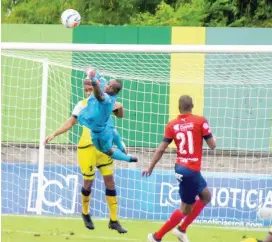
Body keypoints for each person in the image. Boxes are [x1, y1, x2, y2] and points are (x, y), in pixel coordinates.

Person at [44, 79, 127, 233]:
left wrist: (120, 107)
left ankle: (114, 220)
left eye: (91, 88)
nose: (88, 90)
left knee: (110, 181)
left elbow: (120, 115)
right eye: (86, 89)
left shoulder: (106, 101)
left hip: (104, 149)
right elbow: (70, 123)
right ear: (85, 90)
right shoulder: (81, 105)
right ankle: (85, 212)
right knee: (88, 182)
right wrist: (54, 134)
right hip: (87, 149)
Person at [142, 95, 216, 242]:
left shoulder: (172, 125)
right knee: (185, 209)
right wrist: (212, 137)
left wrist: (150, 167)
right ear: (192, 106)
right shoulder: (200, 121)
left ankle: (182, 229)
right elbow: (212, 145)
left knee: (206, 195)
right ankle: (157, 237)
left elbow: (161, 149)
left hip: (181, 168)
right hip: (191, 171)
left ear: (178, 107)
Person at [78, 67, 137, 163]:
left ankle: (129, 159)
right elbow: (95, 74)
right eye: (109, 84)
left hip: (99, 134)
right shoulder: (104, 83)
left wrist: (93, 81)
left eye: (111, 87)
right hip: (106, 126)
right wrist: (89, 71)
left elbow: (99, 96)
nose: (108, 86)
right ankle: (122, 147)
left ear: (115, 92)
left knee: (107, 151)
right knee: (113, 131)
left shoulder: (108, 100)